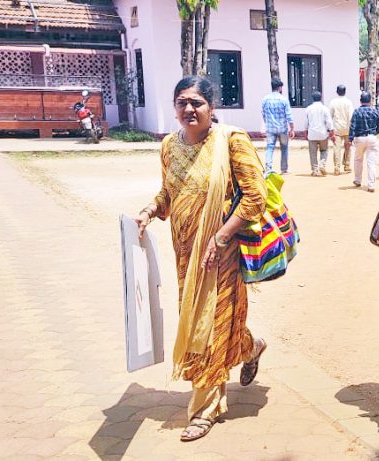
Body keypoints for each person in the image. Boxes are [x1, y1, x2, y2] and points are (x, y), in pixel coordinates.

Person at [134, 76, 268, 442]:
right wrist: (149, 211)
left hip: (221, 254)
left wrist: (221, 236)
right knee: (204, 322)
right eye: (182, 103)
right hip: (185, 255)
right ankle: (250, 347)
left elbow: (257, 195)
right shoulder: (168, 146)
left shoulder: (232, 142)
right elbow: (168, 192)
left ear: (212, 107)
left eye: (197, 103)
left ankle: (204, 408)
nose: (189, 110)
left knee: (207, 326)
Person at [348, 91, 379, 192]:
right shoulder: (374, 111)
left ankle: (358, 180)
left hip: (359, 138)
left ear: (360, 101)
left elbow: (352, 126)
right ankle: (371, 185)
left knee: (358, 159)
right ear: (370, 101)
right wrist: (375, 132)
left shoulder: (356, 112)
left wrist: (350, 138)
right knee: (371, 162)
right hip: (371, 137)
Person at [260, 77, 294, 174]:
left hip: (270, 128)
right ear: (279, 88)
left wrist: (267, 122)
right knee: (284, 148)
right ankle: (284, 169)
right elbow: (289, 116)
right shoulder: (283, 99)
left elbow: (263, 113)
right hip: (283, 128)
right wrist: (292, 128)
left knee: (270, 147)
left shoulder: (265, 99)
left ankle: (268, 168)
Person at [305, 91, 335, 176]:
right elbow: (329, 122)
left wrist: (305, 132)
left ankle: (315, 170)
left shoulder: (308, 109)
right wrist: (331, 131)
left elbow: (306, 123)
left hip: (312, 134)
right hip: (323, 134)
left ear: (313, 98)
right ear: (321, 98)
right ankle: (322, 164)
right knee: (324, 150)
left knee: (313, 152)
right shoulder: (325, 108)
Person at [329, 84, 355, 175]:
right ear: (345, 91)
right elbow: (351, 116)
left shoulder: (333, 102)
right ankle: (347, 165)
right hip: (347, 128)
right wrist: (352, 129)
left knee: (337, 148)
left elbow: (330, 116)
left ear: (337, 92)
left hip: (337, 128)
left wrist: (330, 129)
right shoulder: (348, 102)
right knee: (348, 147)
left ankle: (337, 167)